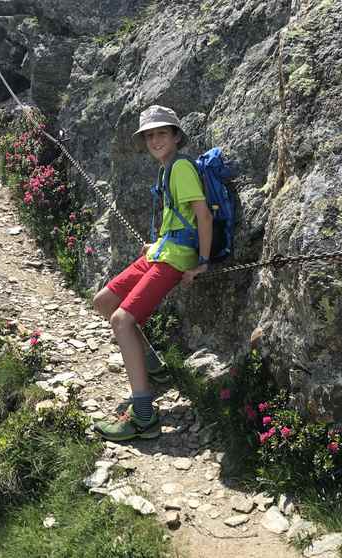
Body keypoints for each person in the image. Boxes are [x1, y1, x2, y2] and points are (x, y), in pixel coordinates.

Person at [91, 105, 212, 441]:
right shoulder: (167, 169)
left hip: (177, 258)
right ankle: (156, 373)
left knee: (121, 320)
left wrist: (201, 262)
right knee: (103, 302)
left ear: (176, 135)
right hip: (164, 251)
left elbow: (203, 215)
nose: (155, 139)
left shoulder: (181, 169)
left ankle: (143, 415)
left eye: (162, 133)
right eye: (149, 135)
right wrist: (157, 243)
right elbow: (181, 216)